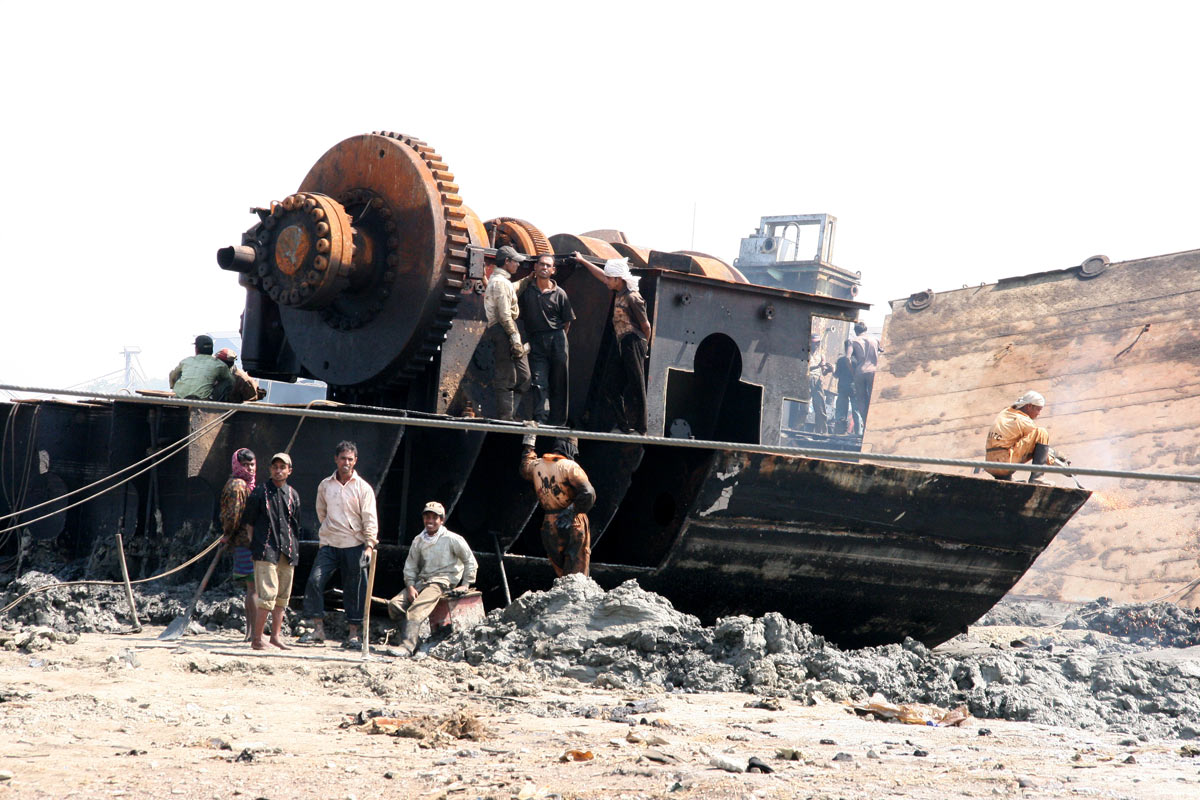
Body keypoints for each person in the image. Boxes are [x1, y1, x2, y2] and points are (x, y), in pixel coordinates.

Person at [301, 441, 379, 648]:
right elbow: (321, 512)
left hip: (355, 544)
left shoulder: (363, 488)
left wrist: (369, 545)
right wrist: (329, 530)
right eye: (343, 458)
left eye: (350, 459)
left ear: (355, 461)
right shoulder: (326, 485)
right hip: (329, 543)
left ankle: (353, 634)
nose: (346, 463)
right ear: (336, 459)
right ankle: (318, 629)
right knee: (315, 581)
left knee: (355, 589)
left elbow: (370, 518)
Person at [572, 253, 652, 433]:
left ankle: (641, 427)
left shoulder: (633, 297)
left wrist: (644, 347)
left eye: (610, 278)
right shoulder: (618, 291)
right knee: (611, 386)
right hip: (622, 341)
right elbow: (601, 275)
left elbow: (646, 326)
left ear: (618, 279)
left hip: (633, 341)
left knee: (637, 383)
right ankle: (624, 425)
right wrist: (583, 261)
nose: (607, 280)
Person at [386, 501, 478, 657]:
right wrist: (410, 586)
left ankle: (407, 647)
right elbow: (410, 566)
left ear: (441, 520)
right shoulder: (419, 540)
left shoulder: (452, 539)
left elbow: (470, 561)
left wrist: (466, 584)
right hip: (423, 581)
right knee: (395, 605)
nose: (430, 521)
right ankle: (415, 641)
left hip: (441, 582)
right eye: (427, 517)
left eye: (434, 518)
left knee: (416, 610)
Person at [242, 452, 300, 651]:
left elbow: (294, 525)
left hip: (287, 551)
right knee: (267, 595)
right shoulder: (260, 493)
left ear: (289, 471)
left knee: (282, 597)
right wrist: (256, 545)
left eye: (282, 467)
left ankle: (275, 637)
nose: (278, 471)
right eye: (275, 467)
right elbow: (249, 524)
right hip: (265, 550)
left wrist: (293, 549)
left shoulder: (293, 495)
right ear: (270, 470)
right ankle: (257, 639)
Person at [519, 435, 596, 577]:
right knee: (577, 570)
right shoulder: (570, 467)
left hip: (549, 524)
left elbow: (524, 468)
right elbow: (588, 493)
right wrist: (572, 511)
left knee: (561, 571)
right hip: (573, 521)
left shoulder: (537, 465)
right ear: (569, 448)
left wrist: (529, 442)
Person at [519, 254, 576, 426]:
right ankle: (540, 420)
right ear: (535, 267)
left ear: (553, 270)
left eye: (548, 265)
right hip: (536, 341)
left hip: (557, 339)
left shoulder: (560, 294)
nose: (544, 267)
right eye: (541, 264)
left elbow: (567, 321)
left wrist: (560, 341)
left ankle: (558, 423)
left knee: (559, 382)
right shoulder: (526, 291)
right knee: (539, 381)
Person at [483, 245, 532, 420]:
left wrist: (528, 279)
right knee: (506, 376)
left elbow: (512, 288)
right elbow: (504, 315)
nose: (518, 265)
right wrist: (514, 338)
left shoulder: (501, 282)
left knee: (524, 377)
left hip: (505, 328)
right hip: (503, 329)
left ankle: (510, 414)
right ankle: (506, 417)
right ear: (506, 261)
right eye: (515, 262)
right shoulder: (499, 283)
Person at [218, 447, 258, 641]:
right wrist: (227, 534)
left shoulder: (245, 484)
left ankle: (250, 632)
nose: (249, 468)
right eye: (245, 465)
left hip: (244, 543)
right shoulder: (238, 486)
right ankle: (254, 633)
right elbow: (233, 516)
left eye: (252, 464)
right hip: (246, 542)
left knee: (251, 589)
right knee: (254, 589)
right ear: (237, 465)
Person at [984, 390, 1052, 484]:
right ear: (1029, 406)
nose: (1039, 413)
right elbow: (1040, 446)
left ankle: (1007, 478)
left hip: (989, 464)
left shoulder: (1005, 412)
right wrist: (1057, 461)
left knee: (1007, 444)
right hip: (1003, 465)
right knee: (1041, 432)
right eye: (1038, 409)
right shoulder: (1023, 420)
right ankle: (1037, 478)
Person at [169, 335, 233, 401]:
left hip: (178, 398)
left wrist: (173, 387)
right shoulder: (219, 364)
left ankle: (178, 392)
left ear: (196, 349)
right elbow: (231, 381)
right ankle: (218, 404)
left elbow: (172, 375)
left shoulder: (186, 361)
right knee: (228, 381)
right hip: (201, 400)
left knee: (178, 373)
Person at [848, 321, 880, 429]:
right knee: (872, 399)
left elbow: (847, 358)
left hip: (860, 372)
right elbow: (883, 351)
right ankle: (874, 423)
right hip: (873, 371)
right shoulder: (875, 339)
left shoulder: (853, 341)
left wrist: (853, 372)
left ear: (855, 331)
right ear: (865, 330)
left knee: (861, 399)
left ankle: (866, 423)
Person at [807, 334, 831, 434]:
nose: (816, 344)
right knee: (803, 407)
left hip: (817, 381)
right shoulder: (806, 353)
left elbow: (823, 371)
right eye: (814, 342)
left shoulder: (821, 355)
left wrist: (828, 369)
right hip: (807, 380)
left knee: (820, 407)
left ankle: (821, 431)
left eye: (817, 342)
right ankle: (797, 428)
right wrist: (817, 366)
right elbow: (804, 367)